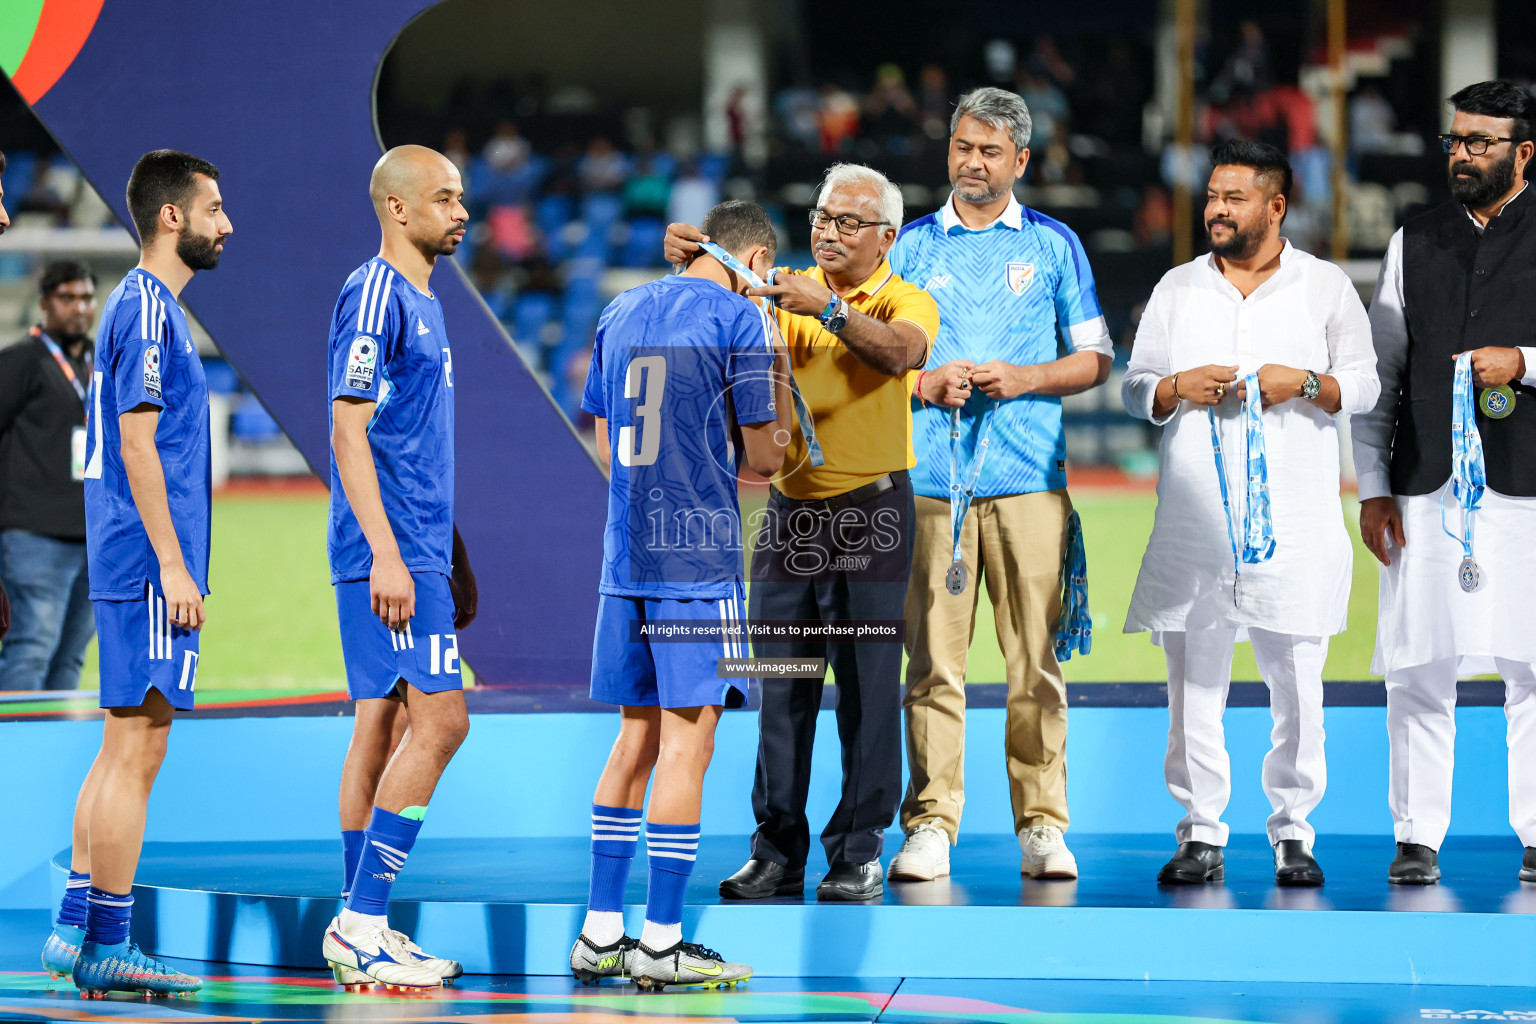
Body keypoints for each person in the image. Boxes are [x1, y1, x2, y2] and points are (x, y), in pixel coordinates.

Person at [665, 163, 940, 902]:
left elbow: (904, 354)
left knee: (866, 688)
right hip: (791, 513)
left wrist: (831, 311)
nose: (829, 231)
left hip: (871, 510)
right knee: (781, 687)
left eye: (849, 222)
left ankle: (857, 849)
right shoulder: (783, 288)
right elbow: (724, 288)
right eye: (822, 216)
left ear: (887, 236)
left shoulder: (901, 298)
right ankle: (776, 849)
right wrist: (694, 261)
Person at [1123, 140, 1379, 887]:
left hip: (1294, 524)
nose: (1216, 210)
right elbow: (1137, 385)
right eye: (1210, 197)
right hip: (1196, 522)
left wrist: (1302, 381)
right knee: (1192, 687)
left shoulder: (1325, 287)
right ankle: (1202, 830)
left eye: (1232, 198)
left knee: (1298, 686)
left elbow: (1363, 388)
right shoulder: (1178, 287)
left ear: (1276, 206)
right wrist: (1173, 388)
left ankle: (1293, 832)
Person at [885, 87, 1112, 884]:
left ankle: (1043, 825)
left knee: (1035, 667)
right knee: (932, 668)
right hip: (929, 487)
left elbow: (1094, 359)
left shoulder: (1055, 246)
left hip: (1029, 486)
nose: (973, 163)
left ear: (1021, 159)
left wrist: (1025, 377)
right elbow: (874, 358)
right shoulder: (907, 248)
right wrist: (923, 382)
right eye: (961, 147)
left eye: (990, 151)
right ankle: (931, 825)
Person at [570, 199, 791, 991]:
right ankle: (662, 943)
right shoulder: (741, 321)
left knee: (633, 741)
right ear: (756, 261)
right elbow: (768, 460)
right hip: (697, 567)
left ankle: (600, 933)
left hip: (625, 556)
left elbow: (603, 430)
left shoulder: (622, 307)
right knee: (687, 745)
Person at [40, 149, 230, 998]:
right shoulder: (150, 311)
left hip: (123, 554)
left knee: (118, 745)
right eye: (214, 208)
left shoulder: (132, 307)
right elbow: (137, 442)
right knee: (139, 750)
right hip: (148, 564)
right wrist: (175, 564)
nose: (227, 224)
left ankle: (75, 923)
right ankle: (112, 942)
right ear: (170, 217)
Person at [1353, 80, 1536, 885]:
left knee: (1533, 670)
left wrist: (1526, 363)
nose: (1460, 154)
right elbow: (1380, 374)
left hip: (1528, 485)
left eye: (1479, 143)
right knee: (1418, 666)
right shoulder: (1411, 240)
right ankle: (1417, 836)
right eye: (1454, 141)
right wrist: (1370, 486)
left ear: (1523, 152)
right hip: (1425, 485)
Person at [321, 145, 478, 991]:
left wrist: (445, 550)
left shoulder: (422, 297)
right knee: (443, 722)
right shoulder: (378, 291)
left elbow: (404, 441)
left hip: (414, 547)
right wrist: (389, 552)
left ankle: (359, 923)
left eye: (463, 198)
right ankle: (364, 920)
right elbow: (348, 429)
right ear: (398, 208)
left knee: (380, 725)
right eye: (446, 198)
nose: (461, 212)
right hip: (388, 552)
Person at [0, 260, 99, 693]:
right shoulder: (19, 361)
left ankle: (50, 754)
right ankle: (13, 754)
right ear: (44, 304)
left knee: (70, 656)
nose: (79, 307)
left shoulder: (103, 361)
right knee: (32, 647)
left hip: (95, 537)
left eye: (87, 297)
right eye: (67, 298)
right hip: (33, 536)